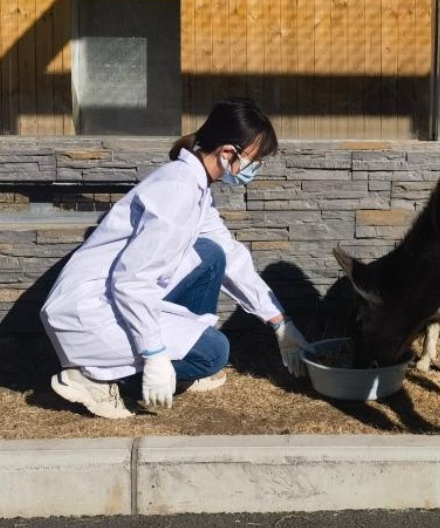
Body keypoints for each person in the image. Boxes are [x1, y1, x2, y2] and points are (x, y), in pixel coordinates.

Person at [40, 98, 311, 418]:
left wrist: (280, 323)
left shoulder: (194, 185)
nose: (256, 169)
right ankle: (91, 377)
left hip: (111, 297)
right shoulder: (178, 191)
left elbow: (231, 255)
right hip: (89, 313)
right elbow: (130, 282)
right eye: (255, 160)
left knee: (211, 254)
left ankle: (178, 368)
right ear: (227, 153)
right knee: (214, 353)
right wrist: (154, 356)